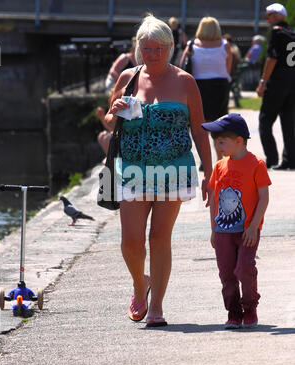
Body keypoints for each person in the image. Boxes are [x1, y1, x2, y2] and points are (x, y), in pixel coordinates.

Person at [104, 14, 212, 327]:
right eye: (146, 48)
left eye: (159, 48)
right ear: (138, 48)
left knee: (159, 237)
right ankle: (141, 284)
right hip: (133, 171)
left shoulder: (184, 81)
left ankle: (157, 308)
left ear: (169, 47)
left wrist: (209, 171)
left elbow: (199, 130)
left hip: (174, 170)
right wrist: (115, 113)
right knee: (131, 242)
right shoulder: (128, 78)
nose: (152, 54)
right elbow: (111, 123)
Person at [202, 113, 272, 329]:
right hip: (223, 231)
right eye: (216, 141)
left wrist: (253, 226)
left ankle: (249, 307)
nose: (218, 145)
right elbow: (214, 199)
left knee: (243, 268)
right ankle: (234, 312)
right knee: (226, 272)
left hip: (247, 231)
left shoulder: (256, 164)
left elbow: (264, 198)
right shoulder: (219, 167)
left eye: (222, 141)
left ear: (239, 141)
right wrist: (213, 230)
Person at [180, 17, 232, 162]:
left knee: (199, 124)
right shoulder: (225, 45)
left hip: (198, 86)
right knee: (219, 124)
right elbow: (228, 67)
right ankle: (219, 157)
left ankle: (205, 159)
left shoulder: (191, 45)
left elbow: (182, 66)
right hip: (220, 86)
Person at [256, 3, 295, 170]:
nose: (267, 19)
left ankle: (271, 159)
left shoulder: (276, 32)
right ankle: (290, 160)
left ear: (279, 15)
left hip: (278, 81)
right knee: (289, 122)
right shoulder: (293, 32)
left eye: (269, 15)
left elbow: (272, 59)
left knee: (265, 120)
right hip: (293, 81)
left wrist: (263, 82)